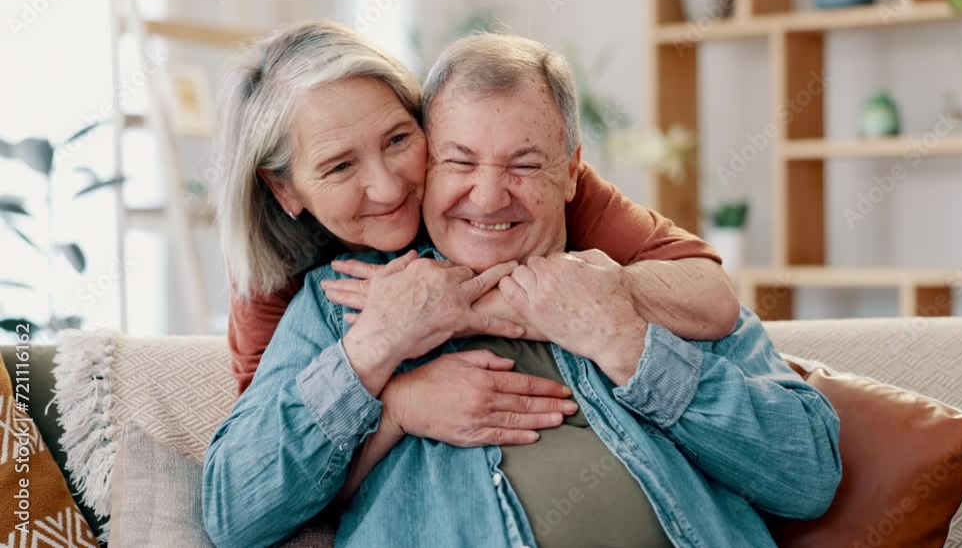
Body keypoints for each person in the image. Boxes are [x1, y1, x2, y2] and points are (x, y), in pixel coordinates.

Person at [203, 31, 842, 547]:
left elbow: (808, 475)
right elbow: (235, 511)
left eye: (526, 163)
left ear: (571, 171)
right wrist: (378, 360)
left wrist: (625, 342)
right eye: (459, 159)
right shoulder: (340, 302)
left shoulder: (644, 288)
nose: (487, 196)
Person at [219, 21, 740, 400]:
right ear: (283, 189)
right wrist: (400, 406)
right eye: (338, 167)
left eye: (399, 138)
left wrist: (466, 310)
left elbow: (712, 297)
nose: (387, 186)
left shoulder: (529, 187)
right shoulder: (271, 283)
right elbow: (284, 458)